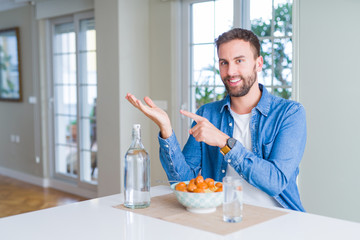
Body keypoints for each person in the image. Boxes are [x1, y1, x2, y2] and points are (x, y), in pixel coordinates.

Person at [126, 28, 306, 212]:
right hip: (223, 216)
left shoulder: (289, 114)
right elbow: (184, 183)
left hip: (278, 219)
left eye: (239, 61)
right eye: (224, 63)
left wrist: (224, 142)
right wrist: (166, 129)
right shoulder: (207, 114)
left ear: (258, 63)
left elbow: (275, 182)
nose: (230, 71)